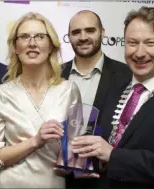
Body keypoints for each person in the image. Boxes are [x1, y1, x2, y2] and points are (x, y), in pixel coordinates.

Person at [70, 6, 154, 188]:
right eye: (133, 43)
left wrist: (114, 156)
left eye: (150, 43)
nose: (140, 53)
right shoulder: (116, 86)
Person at [0, 12, 83, 188]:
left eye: (40, 37)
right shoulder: (0, 94)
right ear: (15, 47)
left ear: (51, 45)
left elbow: (74, 152)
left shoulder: (68, 90)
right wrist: (35, 141)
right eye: (24, 37)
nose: (32, 43)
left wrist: (77, 162)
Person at [62, 10, 132, 189]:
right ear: (68, 36)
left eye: (90, 30)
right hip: (59, 177)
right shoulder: (55, 75)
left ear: (102, 32)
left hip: (105, 179)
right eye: (76, 32)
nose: (83, 37)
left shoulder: (127, 76)